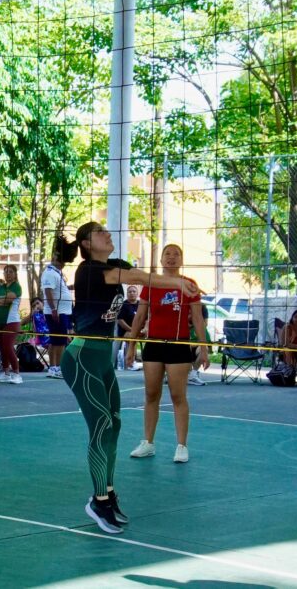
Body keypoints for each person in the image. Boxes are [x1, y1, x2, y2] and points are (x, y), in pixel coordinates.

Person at [60, 223, 200, 535]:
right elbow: (141, 278)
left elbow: (139, 274)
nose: (107, 234)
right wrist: (179, 283)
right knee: (101, 426)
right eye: (100, 232)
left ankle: (108, 495)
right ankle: (97, 501)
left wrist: (176, 282)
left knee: (115, 424)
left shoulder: (113, 266)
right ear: (86, 243)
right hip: (81, 358)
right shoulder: (88, 270)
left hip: (102, 359)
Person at [127, 244, 208, 464]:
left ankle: (182, 446)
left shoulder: (189, 285)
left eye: (176, 254)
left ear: (181, 259)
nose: (171, 257)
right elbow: (140, 315)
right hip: (153, 344)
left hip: (178, 344)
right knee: (151, 394)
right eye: (167, 254)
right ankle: (148, 443)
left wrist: (204, 347)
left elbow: (198, 319)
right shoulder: (151, 284)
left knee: (177, 396)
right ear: (161, 259)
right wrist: (132, 345)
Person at [41, 238, 74, 379]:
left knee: (56, 340)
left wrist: (69, 288)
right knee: (59, 341)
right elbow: (48, 291)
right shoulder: (49, 272)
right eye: (63, 262)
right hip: (57, 312)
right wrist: (54, 309)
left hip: (61, 311)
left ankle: (53, 367)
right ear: (55, 258)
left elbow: (57, 290)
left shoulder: (56, 273)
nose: (64, 264)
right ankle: (57, 367)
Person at [0, 265, 23, 384]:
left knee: (8, 347)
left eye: (10, 272)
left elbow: (9, 299)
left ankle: (17, 373)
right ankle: (6, 372)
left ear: (15, 274)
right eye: (5, 272)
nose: (7, 274)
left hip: (11, 321)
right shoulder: (1, 287)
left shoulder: (16, 287)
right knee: (1, 347)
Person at [116, 286, 140, 370]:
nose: (132, 293)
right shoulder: (124, 305)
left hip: (139, 330)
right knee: (133, 337)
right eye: (130, 292)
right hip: (126, 331)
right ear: (127, 293)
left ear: (137, 293)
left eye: (134, 291)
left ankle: (151, 361)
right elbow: (120, 320)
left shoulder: (141, 304)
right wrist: (131, 329)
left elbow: (146, 318)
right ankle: (131, 362)